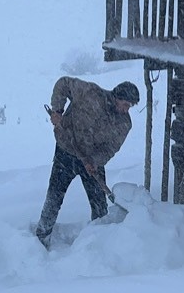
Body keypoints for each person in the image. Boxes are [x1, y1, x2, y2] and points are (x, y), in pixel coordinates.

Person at [33, 76, 139, 247]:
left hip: (91, 164)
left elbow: (110, 149)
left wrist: (94, 161)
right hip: (66, 152)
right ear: (116, 97)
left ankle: (97, 243)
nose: (127, 110)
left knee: (99, 206)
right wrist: (57, 111)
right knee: (54, 197)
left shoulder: (124, 124)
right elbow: (63, 84)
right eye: (125, 104)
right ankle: (42, 237)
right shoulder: (90, 93)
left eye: (130, 106)